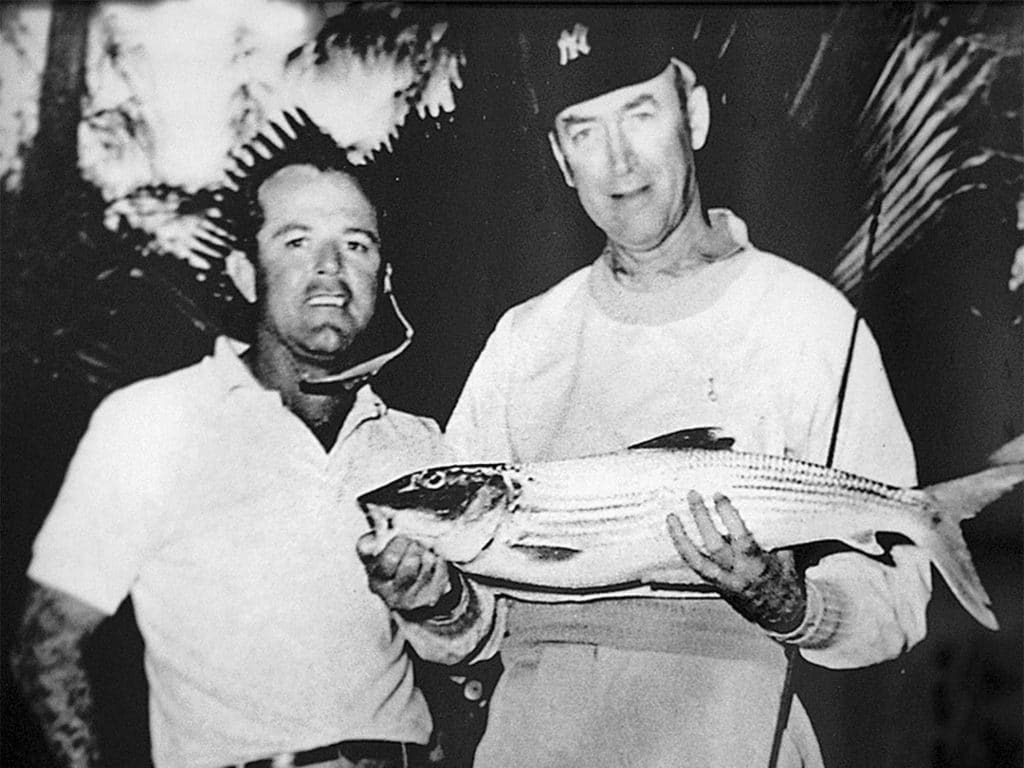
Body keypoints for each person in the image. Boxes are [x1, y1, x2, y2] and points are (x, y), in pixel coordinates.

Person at [443, 9, 932, 768]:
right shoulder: (524, 339)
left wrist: (795, 604)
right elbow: (469, 625)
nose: (618, 162)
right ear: (560, 157)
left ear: (693, 114)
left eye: (640, 113)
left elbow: (895, 599)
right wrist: (427, 599)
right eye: (583, 129)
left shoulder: (809, 322)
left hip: (727, 738)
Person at [9, 112, 494, 768]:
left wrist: (436, 608)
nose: (329, 268)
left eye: (356, 244)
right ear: (244, 273)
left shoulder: (422, 448)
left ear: (382, 279)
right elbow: (49, 642)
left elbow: (478, 647)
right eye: (296, 241)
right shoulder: (153, 422)